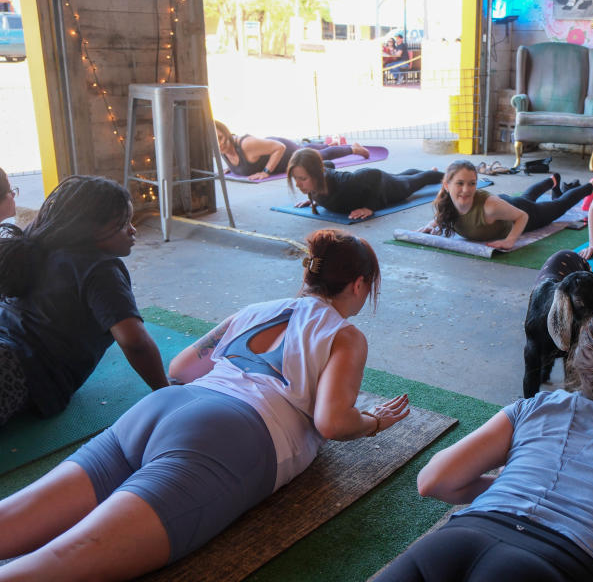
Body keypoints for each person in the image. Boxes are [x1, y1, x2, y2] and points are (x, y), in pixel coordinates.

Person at [0, 229, 411, 580]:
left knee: (10, 519)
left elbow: (181, 367)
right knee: (50, 567)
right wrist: (372, 422)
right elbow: (332, 422)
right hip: (229, 436)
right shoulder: (345, 334)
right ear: (358, 284)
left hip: (164, 408)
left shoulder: (255, 309)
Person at [372, 307, 593, 582]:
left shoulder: (536, 405)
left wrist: (507, 486)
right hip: (563, 564)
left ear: (582, 363)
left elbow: (432, 481)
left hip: (456, 541)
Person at [0, 176, 168, 428]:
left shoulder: (36, 242)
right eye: (123, 224)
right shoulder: (100, 269)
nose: (133, 230)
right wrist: (166, 392)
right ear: (91, 230)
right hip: (17, 367)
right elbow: (134, 341)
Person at [421, 160, 593, 251]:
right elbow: (441, 216)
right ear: (447, 186)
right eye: (459, 183)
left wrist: (510, 240)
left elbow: (522, 216)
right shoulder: (444, 201)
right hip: (507, 205)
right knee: (527, 196)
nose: (466, 190)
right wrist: (432, 225)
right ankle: (552, 180)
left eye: (472, 183)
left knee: (559, 205)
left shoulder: (488, 206)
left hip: (526, 213)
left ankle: (592, 186)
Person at [288, 148, 444, 221]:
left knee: (413, 182)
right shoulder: (318, 181)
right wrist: (314, 195)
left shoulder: (346, 183)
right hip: (372, 183)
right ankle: (429, 171)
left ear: (316, 174)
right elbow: (328, 164)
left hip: (385, 189)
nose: (298, 184)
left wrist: (369, 206)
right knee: (402, 176)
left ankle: (448, 177)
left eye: (302, 179)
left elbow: (374, 175)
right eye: (296, 178)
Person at [214, 120, 369, 181]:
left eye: (221, 138)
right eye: (214, 140)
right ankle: (333, 143)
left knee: (317, 157)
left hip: (283, 151)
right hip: (271, 147)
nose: (219, 144)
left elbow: (279, 147)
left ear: (227, 132)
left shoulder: (247, 144)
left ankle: (353, 148)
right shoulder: (220, 148)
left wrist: (266, 171)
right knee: (306, 148)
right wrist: (233, 167)